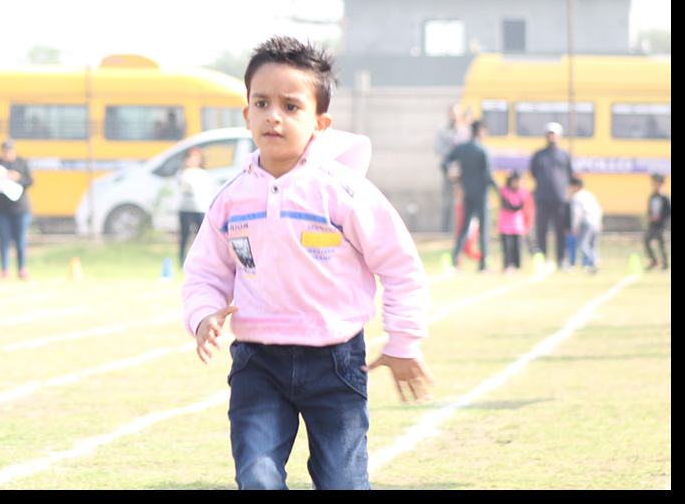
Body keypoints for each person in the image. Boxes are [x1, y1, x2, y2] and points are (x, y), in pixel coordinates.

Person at [181, 36, 434, 490]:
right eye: (261, 103)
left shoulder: (343, 191)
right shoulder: (230, 199)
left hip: (335, 362)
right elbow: (204, 271)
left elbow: (400, 266)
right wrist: (202, 316)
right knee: (256, 478)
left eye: (291, 106)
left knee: (343, 482)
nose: (273, 116)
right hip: (257, 363)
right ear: (246, 115)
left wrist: (404, 340)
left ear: (320, 123)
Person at [442, 120, 497, 272]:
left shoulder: (461, 148)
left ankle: (454, 261)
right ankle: (483, 264)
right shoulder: (482, 151)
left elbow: (444, 163)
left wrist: (453, 177)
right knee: (484, 230)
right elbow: (488, 175)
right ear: (480, 131)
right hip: (481, 195)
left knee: (464, 229)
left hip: (467, 193)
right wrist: (500, 191)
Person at [529, 122, 574, 269]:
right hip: (542, 198)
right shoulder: (539, 155)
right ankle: (543, 258)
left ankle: (561, 260)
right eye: (550, 134)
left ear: (559, 136)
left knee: (560, 230)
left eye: (554, 134)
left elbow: (569, 174)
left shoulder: (564, 155)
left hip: (559, 199)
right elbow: (533, 172)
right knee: (542, 230)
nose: (552, 137)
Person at [0, 138, 34, 280]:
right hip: (1, 208)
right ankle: (4, 270)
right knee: (4, 239)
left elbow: (30, 181)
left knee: (20, 239)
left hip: (19, 208)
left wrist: (18, 178)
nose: (6, 154)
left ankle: (22, 269)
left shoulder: (21, 163)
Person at [434, 104, 466, 234]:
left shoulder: (465, 131)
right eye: (452, 113)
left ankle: (461, 230)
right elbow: (438, 148)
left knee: (462, 203)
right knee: (447, 202)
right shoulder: (442, 131)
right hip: (448, 172)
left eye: (457, 113)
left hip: (463, 172)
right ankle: (446, 232)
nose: (454, 116)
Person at [177, 147, 212, 267]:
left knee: (201, 237)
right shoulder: (183, 173)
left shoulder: (203, 173)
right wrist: (184, 170)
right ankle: (182, 261)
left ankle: (201, 261)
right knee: (184, 236)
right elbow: (183, 187)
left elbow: (207, 191)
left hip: (200, 208)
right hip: (186, 208)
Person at [497, 170, 530, 272]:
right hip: (505, 225)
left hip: (517, 225)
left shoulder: (522, 192)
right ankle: (507, 266)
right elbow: (506, 205)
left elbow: (521, 206)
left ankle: (517, 266)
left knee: (517, 247)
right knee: (507, 247)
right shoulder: (504, 192)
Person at [568, 176, 603, 274]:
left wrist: (575, 226)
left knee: (582, 244)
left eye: (571, 187)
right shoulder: (590, 195)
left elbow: (576, 213)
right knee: (593, 245)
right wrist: (600, 223)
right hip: (595, 222)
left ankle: (591, 263)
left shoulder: (576, 197)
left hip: (586, 223)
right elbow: (598, 210)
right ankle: (595, 262)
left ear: (577, 187)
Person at [644, 173, 671, 270]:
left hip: (662, 225)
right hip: (653, 224)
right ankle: (654, 261)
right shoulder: (652, 196)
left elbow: (668, 212)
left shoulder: (664, 197)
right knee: (646, 240)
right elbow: (650, 209)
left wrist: (660, 218)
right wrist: (650, 217)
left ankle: (666, 265)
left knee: (662, 244)